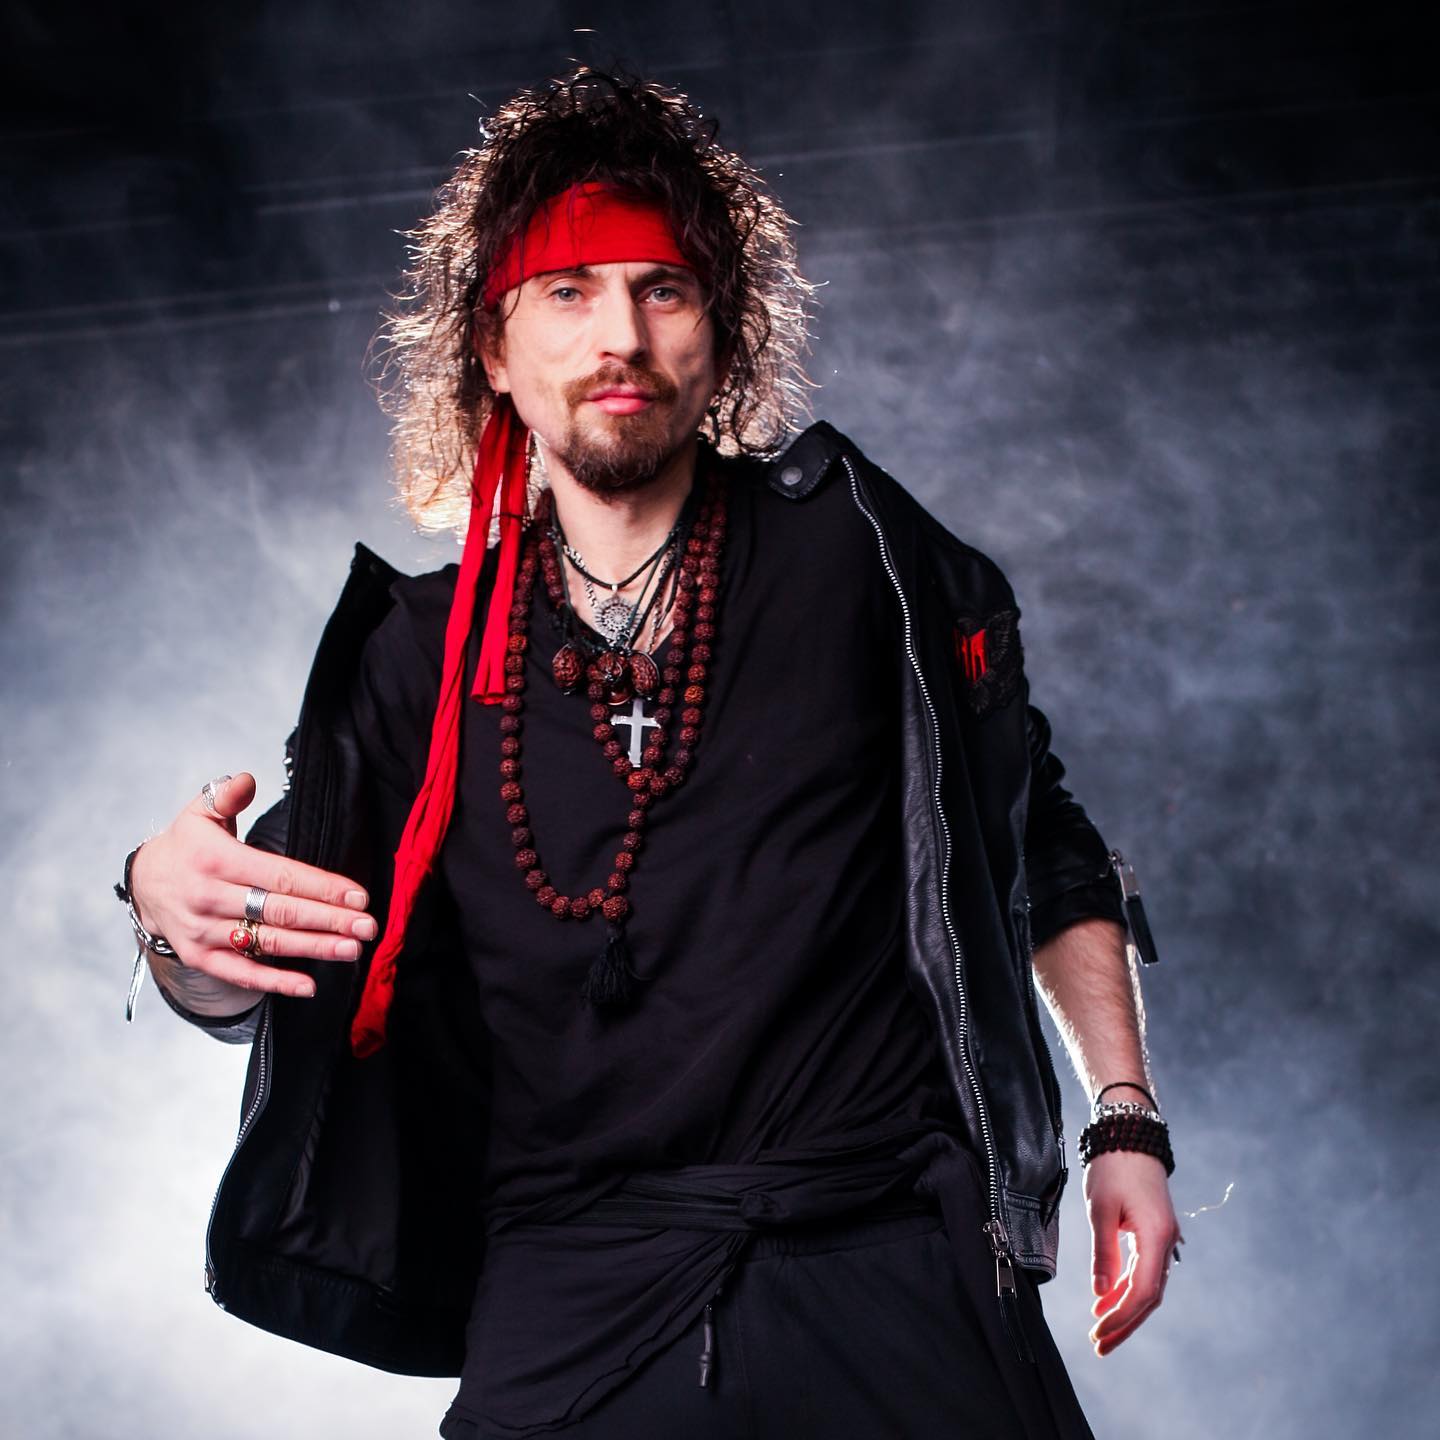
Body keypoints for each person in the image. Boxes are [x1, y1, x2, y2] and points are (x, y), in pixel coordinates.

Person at [117, 68, 1182, 1439]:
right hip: (571, 1294)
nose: (620, 334)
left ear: (720, 336)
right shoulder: (419, 655)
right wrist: (167, 909)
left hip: (890, 1259)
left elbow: (1036, 836)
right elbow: (268, 955)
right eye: (567, 292)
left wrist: (1124, 1121)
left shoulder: (856, 557)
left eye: (662, 290)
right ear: (493, 348)